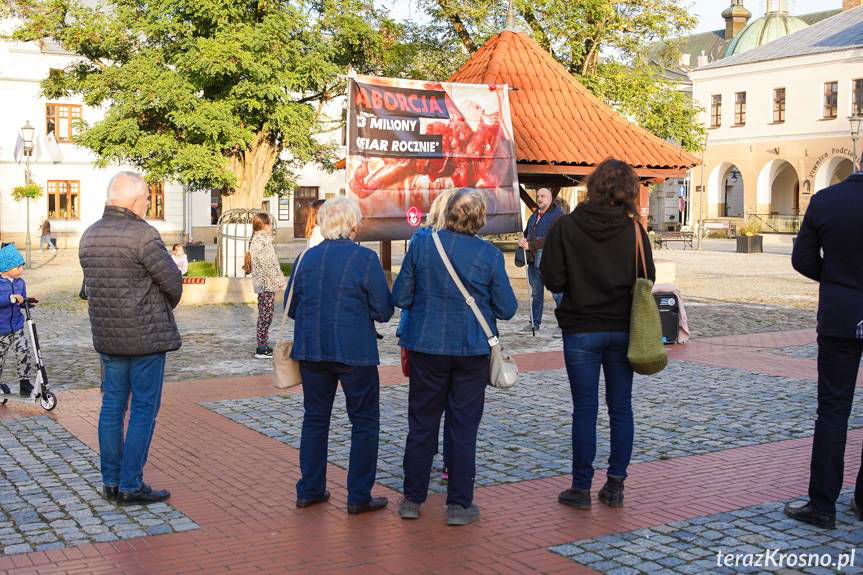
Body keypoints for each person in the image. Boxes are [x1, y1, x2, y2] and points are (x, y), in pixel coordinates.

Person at [394, 189, 518, 526]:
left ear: (447, 212)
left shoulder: (422, 245)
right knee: (463, 427)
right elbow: (507, 308)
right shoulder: (489, 255)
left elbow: (401, 295)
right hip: (471, 349)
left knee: (421, 424)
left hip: (426, 346)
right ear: (480, 218)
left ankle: (412, 499)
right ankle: (460, 505)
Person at [541, 159, 655, 510]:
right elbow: (647, 276)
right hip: (623, 328)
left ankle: (581, 487)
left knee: (584, 409)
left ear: (593, 186)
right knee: (621, 408)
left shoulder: (566, 227)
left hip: (580, 330)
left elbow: (553, 278)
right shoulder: (634, 230)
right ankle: (616, 484)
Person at [79, 172, 183, 505]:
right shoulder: (143, 235)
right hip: (145, 338)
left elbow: (88, 289)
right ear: (136, 200)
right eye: (147, 200)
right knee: (142, 410)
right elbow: (172, 282)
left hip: (108, 337)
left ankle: (111, 482)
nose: (148, 205)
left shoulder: (90, 235)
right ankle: (130, 484)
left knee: (111, 409)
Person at [285, 197, 393, 514]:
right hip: (354, 350)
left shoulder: (305, 259)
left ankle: (310, 488)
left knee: (315, 420)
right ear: (352, 225)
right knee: (363, 422)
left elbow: (290, 308)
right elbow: (384, 310)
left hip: (312, 350)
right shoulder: (364, 259)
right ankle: (359, 495)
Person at [784, 167, 863, 529]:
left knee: (832, 410)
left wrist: (835, 280)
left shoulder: (826, 199)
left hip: (839, 315)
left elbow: (802, 259)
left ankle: (823, 505)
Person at [396, 190, 455, 481]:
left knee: (422, 412)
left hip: (422, 337)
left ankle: (417, 470)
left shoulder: (419, 242)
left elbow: (402, 294)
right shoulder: (479, 247)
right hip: (463, 343)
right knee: (458, 412)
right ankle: (451, 466)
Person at [518, 188, 563, 331]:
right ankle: (534, 323)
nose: (539, 198)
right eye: (538, 196)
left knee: (557, 293)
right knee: (536, 293)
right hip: (532, 261)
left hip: (549, 261)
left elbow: (551, 237)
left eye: (542, 196)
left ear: (550, 198)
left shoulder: (558, 215)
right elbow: (527, 232)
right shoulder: (534, 215)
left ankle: (565, 323)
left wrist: (530, 245)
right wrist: (522, 239)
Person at [249, 213, 285, 359]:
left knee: (266, 314)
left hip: (267, 284)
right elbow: (267, 265)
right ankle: (261, 348)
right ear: (263, 225)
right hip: (265, 284)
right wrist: (279, 281)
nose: (271, 227)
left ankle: (263, 344)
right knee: (265, 315)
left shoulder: (262, 240)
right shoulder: (261, 241)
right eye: (269, 224)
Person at [0, 245, 34, 398]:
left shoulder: (20, 282)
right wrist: (11, 298)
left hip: (17, 326)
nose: (21, 269)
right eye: (18, 266)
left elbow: (21, 299)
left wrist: (25, 302)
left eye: (22, 266)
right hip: (1, 329)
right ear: (6, 267)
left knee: (24, 352)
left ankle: (24, 383)